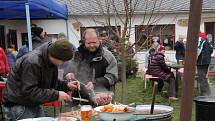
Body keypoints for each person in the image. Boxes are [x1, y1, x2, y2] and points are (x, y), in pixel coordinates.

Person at [2, 40, 80, 120]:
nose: (63, 63)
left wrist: (66, 85)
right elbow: (29, 91)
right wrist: (56, 95)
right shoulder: (32, 62)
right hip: (19, 106)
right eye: (63, 61)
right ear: (56, 56)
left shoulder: (49, 61)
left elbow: (51, 82)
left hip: (32, 103)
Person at [64, 28, 118, 105]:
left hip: (102, 100)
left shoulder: (108, 57)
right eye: (88, 43)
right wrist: (69, 74)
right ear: (84, 42)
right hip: (80, 99)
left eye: (94, 42)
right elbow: (70, 69)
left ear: (99, 39)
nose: (92, 45)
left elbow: (112, 77)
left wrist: (94, 83)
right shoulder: (77, 55)